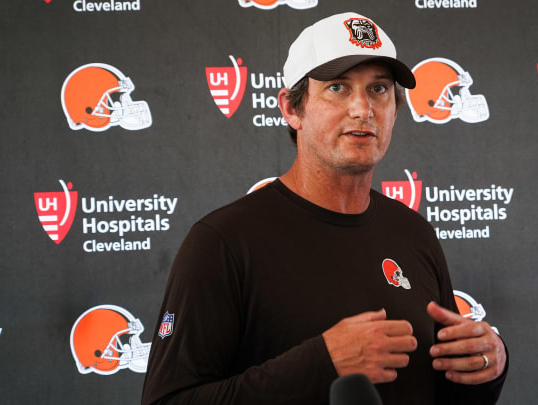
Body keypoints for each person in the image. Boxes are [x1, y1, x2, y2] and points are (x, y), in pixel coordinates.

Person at [141, 12, 507, 405]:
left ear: (396, 110)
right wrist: (322, 363)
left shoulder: (414, 233)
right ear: (291, 109)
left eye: (379, 89)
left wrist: (488, 368)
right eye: (337, 88)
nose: (362, 109)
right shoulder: (224, 242)